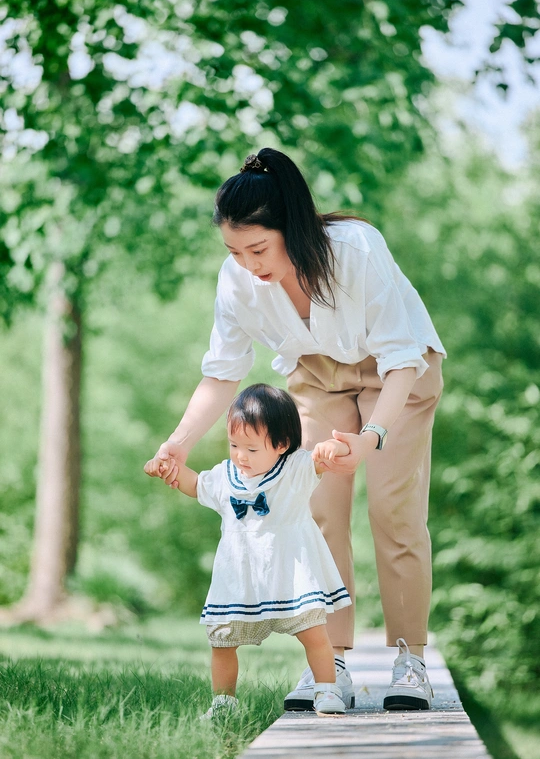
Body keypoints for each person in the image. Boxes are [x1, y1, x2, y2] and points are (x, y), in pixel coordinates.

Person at [145, 148, 446, 712]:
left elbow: (402, 359)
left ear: (292, 227)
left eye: (258, 247)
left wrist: (372, 437)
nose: (248, 262)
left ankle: (410, 659)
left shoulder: (356, 250)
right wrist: (178, 442)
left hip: (396, 375)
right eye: (234, 250)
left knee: (393, 510)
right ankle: (329, 664)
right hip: (316, 377)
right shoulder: (238, 280)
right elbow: (221, 372)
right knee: (315, 512)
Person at [145, 383, 353, 717]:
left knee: (314, 635)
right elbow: (196, 484)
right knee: (222, 641)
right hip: (240, 577)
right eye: (234, 445)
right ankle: (223, 702)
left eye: (252, 449)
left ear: (282, 444)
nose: (240, 455)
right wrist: (169, 469)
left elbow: (322, 460)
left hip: (290, 572)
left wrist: (331, 448)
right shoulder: (226, 476)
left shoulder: (296, 469)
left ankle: (327, 690)